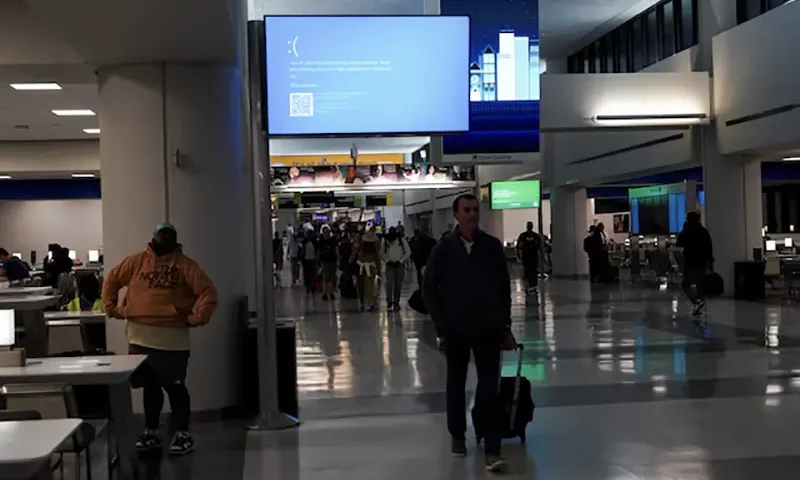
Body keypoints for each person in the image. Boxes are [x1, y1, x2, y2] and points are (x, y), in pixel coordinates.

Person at [102, 223, 217, 456]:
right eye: (161, 234)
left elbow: (208, 292)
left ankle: (183, 433)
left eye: (168, 234)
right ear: (153, 237)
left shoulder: (185, 266)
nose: (164, 237)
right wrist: (112, 308)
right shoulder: (136, 262)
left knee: (175, 387)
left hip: (173, 338)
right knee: (150, 386)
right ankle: (151, 431)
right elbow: (112, 280)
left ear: (174, 238)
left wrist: (197, 318)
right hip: (140, 336)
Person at [423, 194, 515, 473]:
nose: (472, 214)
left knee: (490, 387)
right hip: (456, 330)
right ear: (456, 214)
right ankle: (458, 435)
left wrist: (505, 327)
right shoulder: (443, 250)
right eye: (467, 210)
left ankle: (492, 446)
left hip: (488, 329)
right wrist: (442, 327)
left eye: (475, 210)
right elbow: (429, 290)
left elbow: (503, 290)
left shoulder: (492, 247)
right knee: (456, 384)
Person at [676, 211, 714, 317]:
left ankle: (696, 301)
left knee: (686, 284)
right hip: (701, 261)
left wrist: (683, 230)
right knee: (700, 282)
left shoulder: (687, 231)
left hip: (690, 261)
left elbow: (679, 243)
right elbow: (709, 247)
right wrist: (710, 262)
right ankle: (698, 301)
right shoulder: (703, 231)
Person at [381, 226, 411, 311]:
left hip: (399, 265)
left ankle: (396, 302)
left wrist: (401, 261)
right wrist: (387, 261)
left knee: (398, 285)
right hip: (390, 265)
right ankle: (389, 302)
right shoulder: (385, 241)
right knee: (389, 284)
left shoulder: (401, 240)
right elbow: (381, 252)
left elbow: (408, 252)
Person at [351, 230, 380, 311]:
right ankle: (367, 303)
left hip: (364, 268)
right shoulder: (371, 248)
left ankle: (364, 303)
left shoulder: (361, 247)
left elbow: (353, 255)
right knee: (366, 287)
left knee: (363, 287)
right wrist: (378, 269)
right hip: (366, 268)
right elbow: (377, 259)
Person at [516, 221, 542, 292]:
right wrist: (518, 255)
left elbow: (540, 247)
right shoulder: (523, 236)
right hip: (526, 256)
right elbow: (519, 246)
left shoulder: (536, 236)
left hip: (533, 256)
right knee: (528, 270)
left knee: (533, 270)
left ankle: (533, 284)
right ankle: (530, 284)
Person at [318, 226, 339, 301]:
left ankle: (326, 293)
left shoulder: (322, 240)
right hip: (329, 261)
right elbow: (336, 249)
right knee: (329, 278)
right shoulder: (331, 240)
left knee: (328, 278)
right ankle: (329, 293)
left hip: (329, 261)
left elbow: (319, 252)